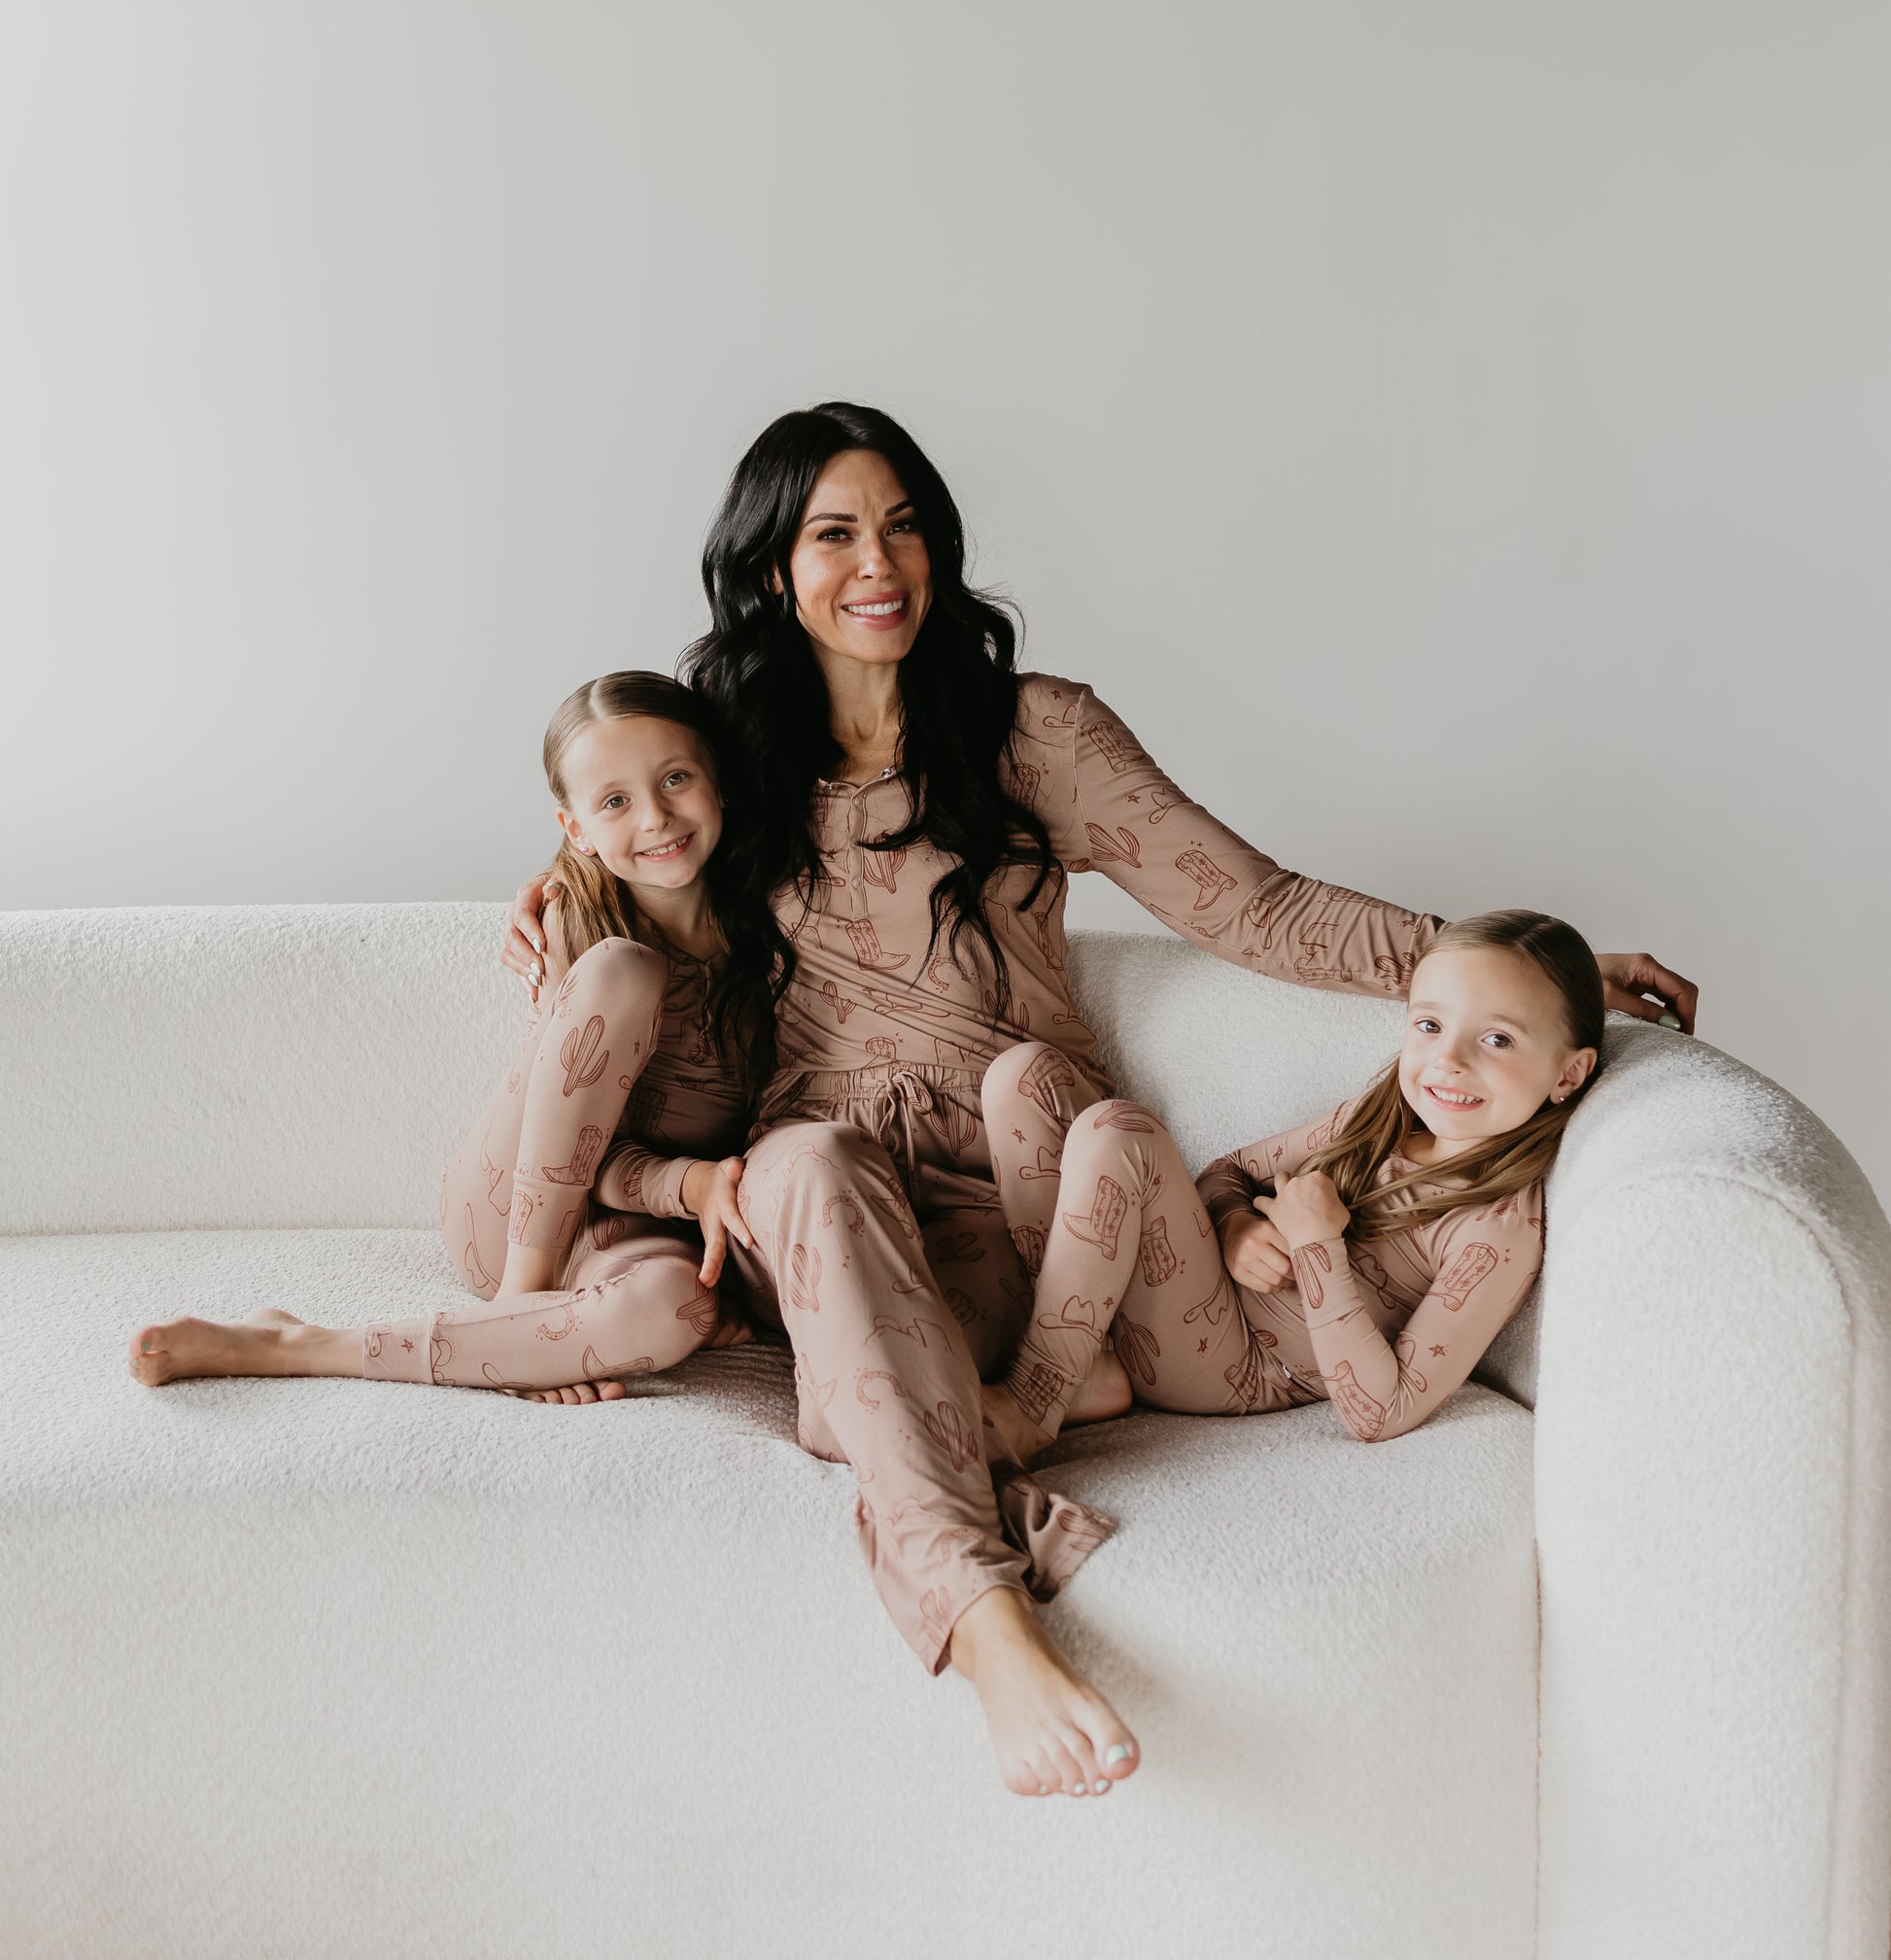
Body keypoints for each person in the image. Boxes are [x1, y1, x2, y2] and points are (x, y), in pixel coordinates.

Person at [502, 404, 1696, 1802]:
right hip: (822, 1194)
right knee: (814, 1178)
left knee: (958, 1210)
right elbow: (617, 817)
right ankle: (990, 1623)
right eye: (832, 531)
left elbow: (1254, 906)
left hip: (1023, 1210)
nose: (876, 561)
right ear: (771, 567)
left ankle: (975, 1477)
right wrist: (551, 892)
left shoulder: (1032, 734)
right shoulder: (733, 751)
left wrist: (1513, 976)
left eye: (904, 524)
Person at [130, 672, 776, 1399]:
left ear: (718, 782)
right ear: (577, 831)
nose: (656, 816)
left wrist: (697, 1205)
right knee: (623, 970)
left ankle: (519, 1340)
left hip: (632, 1228)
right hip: (512, 1214)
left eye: (676, 778)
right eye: (616, 801)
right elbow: (568, 1144)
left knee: (677, 1309)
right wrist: (685, 1183)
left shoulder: (776, 934)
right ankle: (377, 1333)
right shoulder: (576, 920)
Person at [979, 911, 1600, 1461]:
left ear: (1569, 1073)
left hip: (1240, 1363)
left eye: (1497, 1039)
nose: (1450, 1060)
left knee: (1120, 1132)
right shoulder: (1380, 1117)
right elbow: (1228, 1174)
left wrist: (1317, 1244)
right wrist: (1233, 1225)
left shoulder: (1498, 1230)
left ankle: (1036, 1402)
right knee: (1024, 1073)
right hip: (1200, 1292)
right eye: (1430, 1025)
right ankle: (1081, 1363)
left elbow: (1382, 1412)